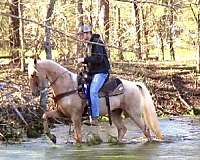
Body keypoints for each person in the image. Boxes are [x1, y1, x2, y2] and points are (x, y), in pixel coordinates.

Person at [77, 24, 110, 125]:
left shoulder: (97, 43)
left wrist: (84, 59)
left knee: (93, 91)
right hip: (93, 72)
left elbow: (98, 59)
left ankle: (95, 117)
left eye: (82, 35)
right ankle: (86, 113)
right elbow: (91, 61)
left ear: (88, 33)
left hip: (101, 72)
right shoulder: (89, 44)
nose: (81, 37)